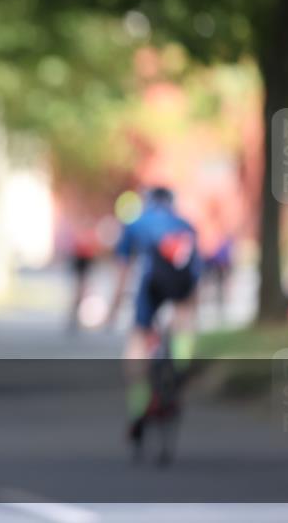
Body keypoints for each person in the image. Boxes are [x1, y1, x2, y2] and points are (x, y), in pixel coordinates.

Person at [106, 187, 201, 440]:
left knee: (138, 338)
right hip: (180, 283)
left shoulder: (137, 223)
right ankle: (181, 363)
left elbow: (124, 270)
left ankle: (137, 409)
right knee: (184, 317)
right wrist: (192, 309)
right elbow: (195, 274)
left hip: (151, 283)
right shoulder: (185, 224)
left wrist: (113, 309)